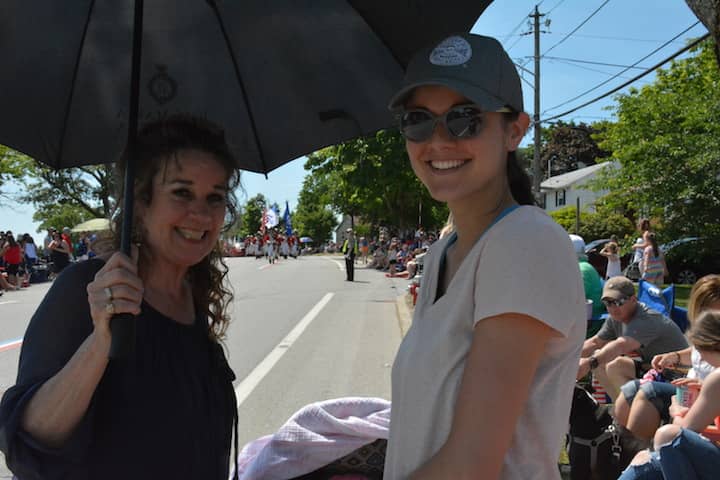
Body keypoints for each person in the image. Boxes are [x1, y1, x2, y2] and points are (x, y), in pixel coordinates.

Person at [383, 33, 586, 480]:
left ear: (515, 130)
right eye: (418, 121)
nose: (437, 141)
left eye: (464, 120)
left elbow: (471, 465)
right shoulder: (442, 253)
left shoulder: (525, 242)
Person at [0, 114, 240, 479]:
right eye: (181, 192)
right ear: (140, 202)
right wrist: (100, 342)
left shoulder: (194, 295)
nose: (201, 213)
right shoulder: (83, 287)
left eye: (215, 197)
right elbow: (31, 436)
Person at [614, 275, 720, 440]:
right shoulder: (708, 335)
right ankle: (622, 450)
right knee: (631, 389)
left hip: (703, 398)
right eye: (704, 311)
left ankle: (640, 455)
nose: (710, 318)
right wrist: (675, 356)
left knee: (649, 393)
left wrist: (702, 385)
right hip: (689, 390)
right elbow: (697, 353)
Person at [618, 309, 720, 480]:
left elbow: (683, 433)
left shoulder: (717, 379)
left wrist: (677, 410)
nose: (699, 358)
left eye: (699, 351)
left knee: (666, 436)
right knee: (644, 465)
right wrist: (703, 388)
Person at [577, 276, 688, 402]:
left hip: (678, 379)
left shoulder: (646, 319)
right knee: (600, 360)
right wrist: (564, 359)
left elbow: (621, 345)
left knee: (612, 365)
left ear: (633, 300)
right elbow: (595, 342)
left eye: (618, 302)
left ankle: (631, 414)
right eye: (608, 303)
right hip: (653, 370)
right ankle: (622, 414)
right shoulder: (616, 318)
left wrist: (588, 363)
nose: (612, 308)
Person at [570, 234, 604, 320]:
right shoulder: (582, 266)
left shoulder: (581, 269)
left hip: (591, 319)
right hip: (588, 315)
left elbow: (574, 297)